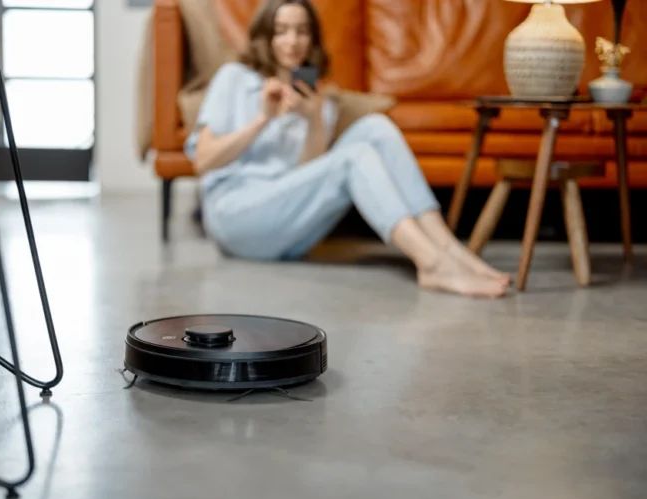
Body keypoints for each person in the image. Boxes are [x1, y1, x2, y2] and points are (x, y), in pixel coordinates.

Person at [184, 0, 510, 298]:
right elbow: (204, 161)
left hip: (286, 226)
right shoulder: (234, 78)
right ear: (265, 36)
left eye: (301, 31)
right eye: (281, 31)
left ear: (312, 38)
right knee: (353, 158)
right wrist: (262, 120)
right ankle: (431, 263)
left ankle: (450, 250)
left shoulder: (319, 104)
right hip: (234, 217)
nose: (292, 41)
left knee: (375, 127)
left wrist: (313, 119)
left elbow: (307, 182)